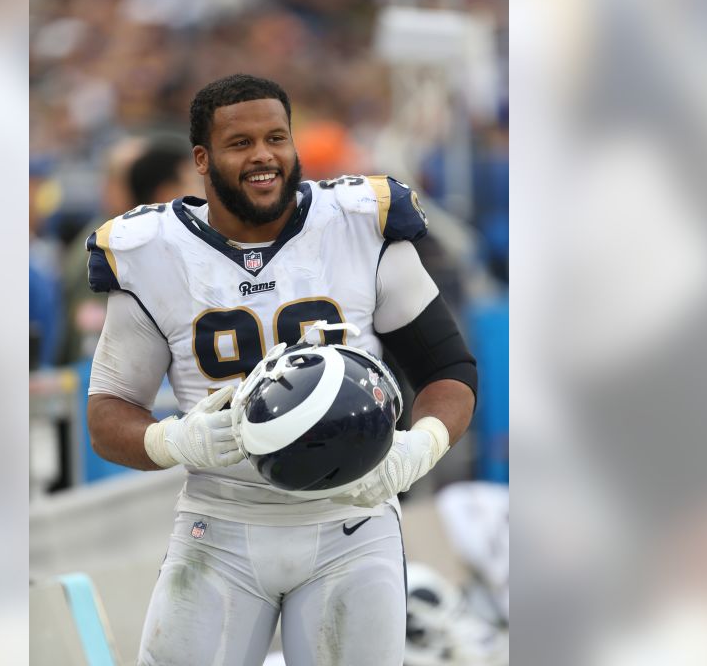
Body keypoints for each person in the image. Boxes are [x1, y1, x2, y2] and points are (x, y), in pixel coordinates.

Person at [84, 74, 477, 666]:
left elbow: (449, 368)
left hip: (352, 521)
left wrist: (418, 448)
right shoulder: (150, 251)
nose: (264, 155)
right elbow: (106, 415)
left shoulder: (360, 224)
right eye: (240, 143)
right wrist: (172, 440)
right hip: (220, 524)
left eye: (276, 137)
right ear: (203, 158)